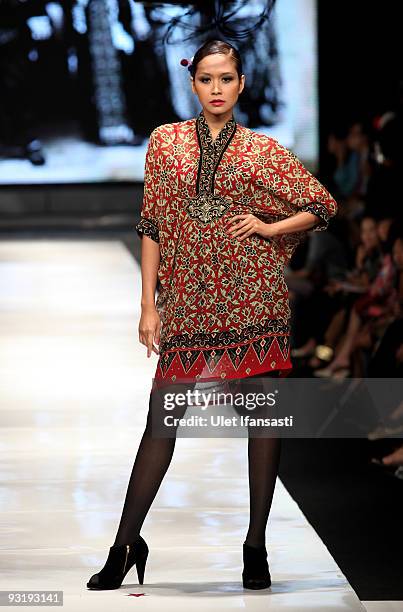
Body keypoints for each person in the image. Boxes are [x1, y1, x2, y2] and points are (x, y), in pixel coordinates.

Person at [86, 39, 338, 592]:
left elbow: (322, 204)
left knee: (263, 424)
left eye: (226, 78)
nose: (217, 89)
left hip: (255, 303)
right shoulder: (166, 143)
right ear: (193, 82)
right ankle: (124, 544)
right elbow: (152, 223)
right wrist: (149, 303)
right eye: (207, 79)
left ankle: (255, 545)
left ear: (242, 83)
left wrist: (271, 228)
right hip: (188, 304)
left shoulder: (263, 151)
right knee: (161, 423)